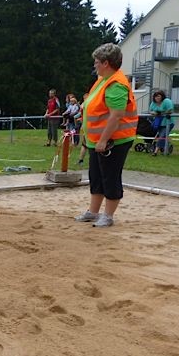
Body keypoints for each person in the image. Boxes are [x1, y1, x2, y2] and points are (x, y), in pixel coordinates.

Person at [75, 43, 138, 228]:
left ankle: (108, 215)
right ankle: (93, 212)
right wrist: (90, 136)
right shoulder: (103, 80)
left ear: (106, 63)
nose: (94, 65)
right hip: (97, 140)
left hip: (114, 141)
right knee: (95, 176)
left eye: (96, 62)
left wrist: (103, 139)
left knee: (110, 176)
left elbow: (116, 115)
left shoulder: (116, 84)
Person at [149, 90, 175, 156]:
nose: (157, 98)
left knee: (162, 136)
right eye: (155, 96)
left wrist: (159, 113)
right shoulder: (153, 103)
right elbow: (150, 111)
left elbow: (170, 110)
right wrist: (153, 113)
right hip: (159, 123)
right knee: (162, 136)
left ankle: (155, 152)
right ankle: (167, 146)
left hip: (168, 122)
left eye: (158, 96)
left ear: (162, 96)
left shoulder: (167, 101)